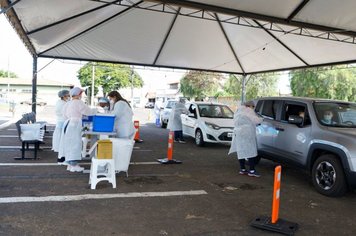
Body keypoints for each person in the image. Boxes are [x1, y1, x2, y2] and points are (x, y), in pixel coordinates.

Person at [59, 87, 94, 172]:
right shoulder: (79, 103)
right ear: (79, 94)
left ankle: (70, 164)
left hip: (67, 123)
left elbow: (63, 114)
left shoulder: (68, 103)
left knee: (68, 144)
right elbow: (88, 112)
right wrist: (96, 111)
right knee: (75, 144)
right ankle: (74, 164)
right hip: (74, 124)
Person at [228, 100, 263, 177]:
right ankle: (252, 170)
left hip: (238, 133)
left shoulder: (238, 111)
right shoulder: (248, 110)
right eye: (253, 106)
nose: (253, 108)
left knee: (241, 151)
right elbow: (256, 120)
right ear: (249, 106)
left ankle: (242, 169)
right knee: (251, 151)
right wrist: (262, 119)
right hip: (247, 133)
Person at [52, 89, 70, 165]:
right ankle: (61, 159)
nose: (69, 97)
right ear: (63, 96)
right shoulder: (62, 103)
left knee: (61, 142)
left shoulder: (62, 102)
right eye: (68, 95)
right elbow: (66, 113)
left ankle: (62, 158)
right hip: (62, 122)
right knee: (62, 142)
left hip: (62, 122)